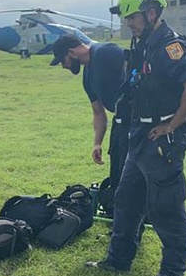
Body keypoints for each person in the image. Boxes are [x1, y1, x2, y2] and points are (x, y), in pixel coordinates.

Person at [85, 0, 186, 276]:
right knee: (126, 198)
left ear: (151, 12)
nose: (129, 23)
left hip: (160, 140)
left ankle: (171, 275)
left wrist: (172, 125)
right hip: (138, 135)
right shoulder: (143, 43)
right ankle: (118, 260)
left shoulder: (170, 46)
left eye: (133, 17)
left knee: (166, 207)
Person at [48, 34, 129, 213]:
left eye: (63, 60)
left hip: (137, 121)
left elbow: (136, 68)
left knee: (129, 176)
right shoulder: (87, 76)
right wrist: (97, 143)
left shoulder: (104, 52)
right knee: (116, 173)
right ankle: (119, 215)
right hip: (120, 122)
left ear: (72, 52)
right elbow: (98, 112)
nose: (64, 66)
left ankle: (135, 220)